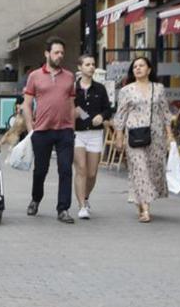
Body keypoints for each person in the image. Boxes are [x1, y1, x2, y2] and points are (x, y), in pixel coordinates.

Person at [22, 36, 76, 223]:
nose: (60, 56)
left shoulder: (69, 77)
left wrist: (72, 129)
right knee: (40, 170)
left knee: (66, 170)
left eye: (62, 53)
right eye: (56, 52)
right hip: (42, 130)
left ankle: (63, 209)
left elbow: (71, 103)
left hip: (65, 131)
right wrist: (31, 129)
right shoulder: (34, 76)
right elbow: (27, 104)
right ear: (47, 54)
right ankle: (36, 199)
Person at [112, 56, 172, 222]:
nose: (137, 68)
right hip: (134, 135)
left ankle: (140, 200)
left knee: (153, 170)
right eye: (135, 66)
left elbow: (165, 113)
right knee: (140, 168)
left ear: (149, 69)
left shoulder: (158, 88)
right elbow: (121, 114)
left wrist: (170, 136)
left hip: (156, 135)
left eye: (141, 65)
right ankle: (145, 209)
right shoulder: (126, 90)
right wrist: (119, 136)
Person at [72, 53, 111, 219]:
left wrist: (101, 116)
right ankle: (81, 206)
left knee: (92, 173)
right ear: (80, 68)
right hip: (78, 133)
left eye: (93, 64)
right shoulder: (73, 89)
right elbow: (68, 107)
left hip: (95, 134)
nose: (91, 67)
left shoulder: (100, 88)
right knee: (81, 168)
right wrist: (75, 113)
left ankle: (86, 197)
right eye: (87, 64)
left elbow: (108, 109)